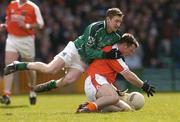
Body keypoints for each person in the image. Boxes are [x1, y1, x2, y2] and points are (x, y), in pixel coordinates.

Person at [4, 8, 125, 93]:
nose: (118, 24)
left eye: (120, 21)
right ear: (108, 19)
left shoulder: (117, 36)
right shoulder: (94, 28)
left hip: (84, 61)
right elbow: (89, 51)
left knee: (69, 80)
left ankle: (49, 86)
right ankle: (19, 65)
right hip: (75, 50)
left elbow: (114, 53)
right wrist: (105, 54)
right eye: (116, 21)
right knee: (50, 69)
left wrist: (118, 56)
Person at [76, 33, 155, 113]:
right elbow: (128, 75)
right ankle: (89, 108)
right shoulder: (113, 53)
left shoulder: (115, 52)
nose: (131, 53)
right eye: (131, 50)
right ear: (125, 45)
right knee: (114, 97)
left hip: (99, 84)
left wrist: (115, 90)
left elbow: (106, 78)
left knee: (126, 109)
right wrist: (143, 85)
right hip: (94, 80)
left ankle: (87, 106)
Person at [0, 0, 44, 105]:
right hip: (12, 38)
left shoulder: (33, 7)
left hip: (26, 40)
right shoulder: (12, 4)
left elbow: (41, 24)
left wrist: (27, 26)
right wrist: (4, 26)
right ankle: (6, 95)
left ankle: (32, 90)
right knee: (8, 65)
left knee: (29, 67)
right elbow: (8, 19)